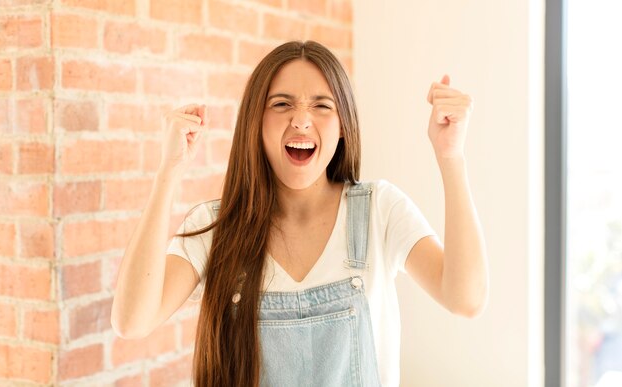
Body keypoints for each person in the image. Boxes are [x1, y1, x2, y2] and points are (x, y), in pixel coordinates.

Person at [111, 40, 488, 387]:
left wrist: (451, 157)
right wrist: (168, 172)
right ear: (255, 124)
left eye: (322, 106)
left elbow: (465, 298)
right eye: (281, 104)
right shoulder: (216, 227)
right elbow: (131, 321)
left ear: (343, 127)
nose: (301, 120)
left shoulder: (380, 209)